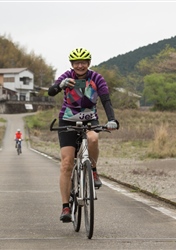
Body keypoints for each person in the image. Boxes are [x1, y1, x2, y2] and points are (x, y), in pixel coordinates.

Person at [48, 47, 119, 223]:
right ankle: (66, 207)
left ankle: (93, 171)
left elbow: (106, 100)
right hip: (67, 120)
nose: (80, 65)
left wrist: (112, 120)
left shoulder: (96, 78)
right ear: (72, 64)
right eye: (76, 63)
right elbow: (51, 91)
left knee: (94, 138)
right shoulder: (67, 76)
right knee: (66, 163)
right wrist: (59, 85)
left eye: (83, 62)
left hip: (90, 120)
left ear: (88, 63)